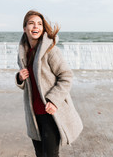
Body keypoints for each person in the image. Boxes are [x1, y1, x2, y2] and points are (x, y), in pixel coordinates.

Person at [15, 10, 83, 157]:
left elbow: (66, 76)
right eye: (31, 23)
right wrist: (20, 78)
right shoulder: (23, 53)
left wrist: (53, 100)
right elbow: (30, 84)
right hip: (33, 113)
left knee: (51, 154)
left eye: (39, 24)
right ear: (25, 28)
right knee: (39, 153)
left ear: (43, 29)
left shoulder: (51, 51)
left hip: (49, 112)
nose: (35, 27)